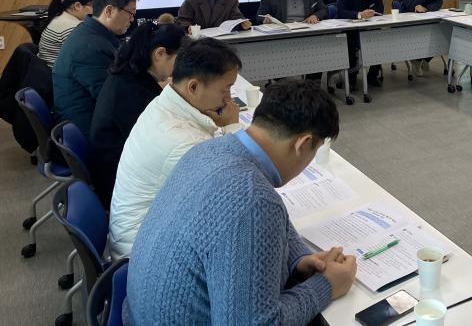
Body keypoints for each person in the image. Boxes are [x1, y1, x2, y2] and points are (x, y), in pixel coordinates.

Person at [124, 80, 357, 324]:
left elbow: (264, 217)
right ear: (303, 144)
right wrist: (326, 285)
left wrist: (297, 258)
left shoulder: (209, 150)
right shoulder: (254, 200)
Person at [108, 38, 242, 258]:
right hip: (142, 254)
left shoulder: (164, 104)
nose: (228, 99)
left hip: (141, 232)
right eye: (226, 89)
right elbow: (237, 188)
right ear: (193, 87)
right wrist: (231, 126)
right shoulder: (184, 141)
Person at [88, 22, 187, 208]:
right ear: (159, 54)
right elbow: (161, 148)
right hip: (119, 187)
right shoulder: (134, 93)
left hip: (111, 170)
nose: (178, 70)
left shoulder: (127, 74)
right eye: (178, 60)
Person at [53, 0, 139, 138]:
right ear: (109, 11)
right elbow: (115, 100)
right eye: (131, 13)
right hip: (92, 133)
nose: (132, 19)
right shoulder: (89, 49)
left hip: (89, 120)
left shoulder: (91, 33)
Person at [336, 0, 385, 88]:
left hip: (368, 26)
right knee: (350, 41)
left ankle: (373, 75)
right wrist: (359, 15)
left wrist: (373, 13)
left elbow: (380, 8)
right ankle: (351, 77)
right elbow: (341, 12)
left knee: (379, 39)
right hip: (349, 28)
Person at [399, 0, 443, 75]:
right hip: (411, 21)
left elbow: (439, 2)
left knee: (442, 34)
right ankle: (417, 58)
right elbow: (410, 6)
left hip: (429, 18)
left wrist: (426, 9)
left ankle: (422, 59)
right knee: (421, 34)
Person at [38, 0, 95, 68]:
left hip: (51, 69)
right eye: (92, 5)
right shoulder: (72, 27)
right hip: (59, 73)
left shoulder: (60, 17)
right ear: (78, 6)